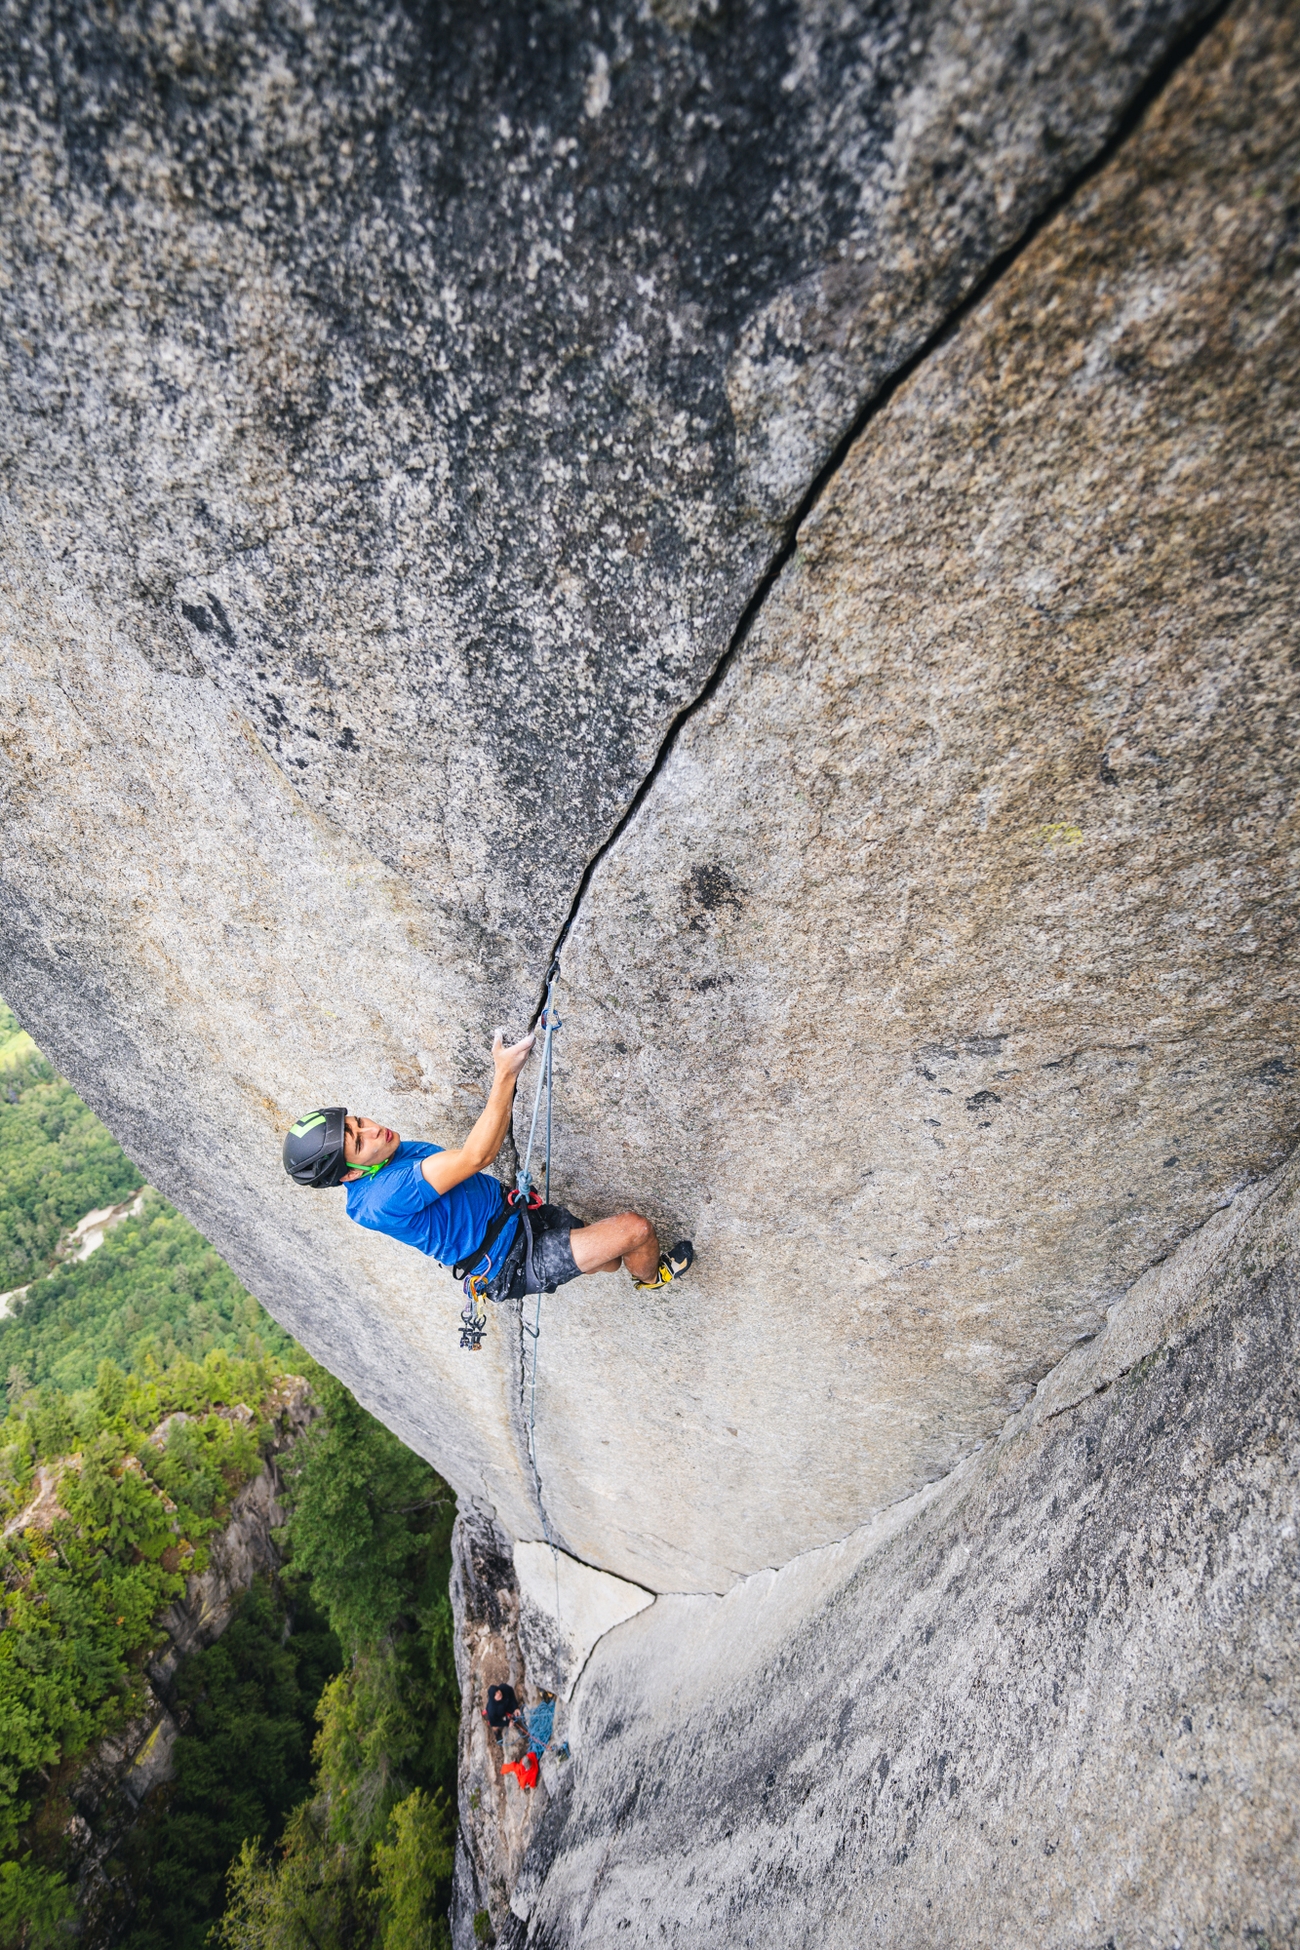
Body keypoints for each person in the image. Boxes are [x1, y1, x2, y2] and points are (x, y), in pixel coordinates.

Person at [281, 1029, 693, 1301]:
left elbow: (471, 1159)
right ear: (351, 1174)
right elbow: (478, 1156)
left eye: (358, 1121)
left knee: (610, 1259)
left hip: (517, 1214)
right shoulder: (381, 1197)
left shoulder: (391, 1151)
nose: (372, 1129)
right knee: (635, 1231)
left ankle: (619, 1263)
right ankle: (650, 1280)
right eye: (357, 1140)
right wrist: (505, 1075)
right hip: (507, 1261)